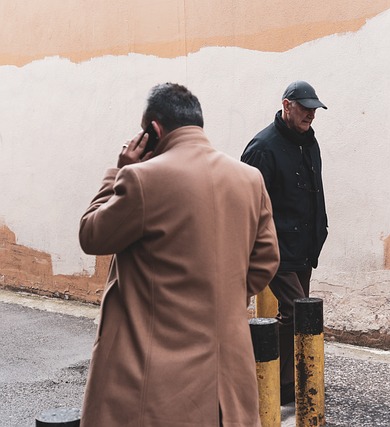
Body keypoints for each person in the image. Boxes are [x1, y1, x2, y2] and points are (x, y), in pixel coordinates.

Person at [79, 83, 279, 427]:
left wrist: (117, 171)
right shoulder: (249, 179)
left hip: (157, 378)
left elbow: (92, 234)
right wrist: (221, 291)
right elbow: (266, 260)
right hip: (228, 375)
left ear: (153, 130)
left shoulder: (141, 179)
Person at [241, 80, 328, 404]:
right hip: (274, 247)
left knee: (297, 317)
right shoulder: (263, 147)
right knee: (297, 312)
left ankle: (285, 385)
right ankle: (254, 369)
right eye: (304, 108)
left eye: (314, 109)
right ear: (286, 105)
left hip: (304, 246)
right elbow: (246, 200)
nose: (310, 115)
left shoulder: (309, 143)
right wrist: (252, 247)